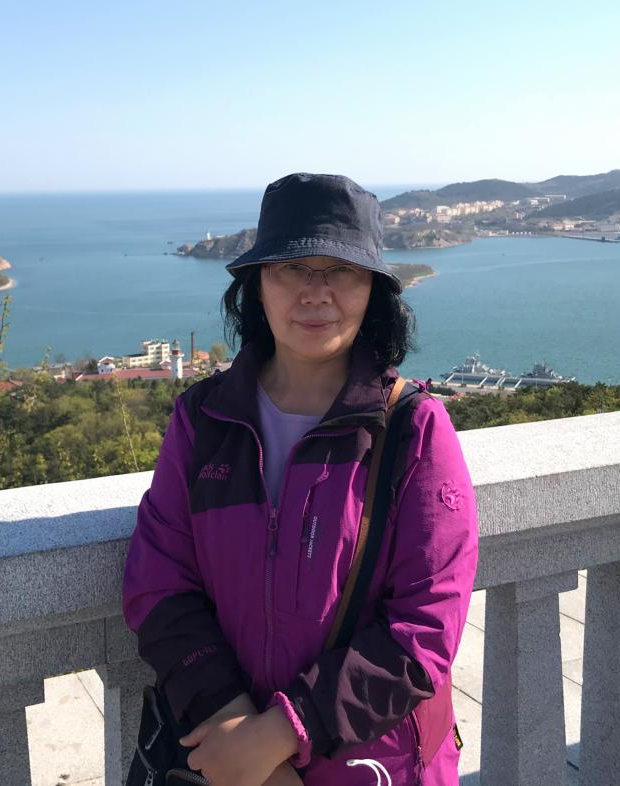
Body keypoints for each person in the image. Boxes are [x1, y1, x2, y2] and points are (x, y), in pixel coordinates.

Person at [122, 173, 479, 786]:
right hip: (229, 760)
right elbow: (159, 586)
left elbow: (425, 625)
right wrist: (237, 731)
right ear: (258, 284)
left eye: (341, 271)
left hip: (374, 766)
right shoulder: (204, 420)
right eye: (292, 268)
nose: (316, 294)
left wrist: (280, 736)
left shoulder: (412, 427)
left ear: (373, 290)